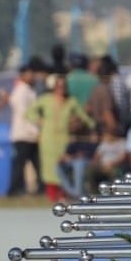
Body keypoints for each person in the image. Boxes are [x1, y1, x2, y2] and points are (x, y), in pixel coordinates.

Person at [26, 74, 94, 202]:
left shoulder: (71, 101)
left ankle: (64, 193)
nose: (61, 89)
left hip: (63, 138)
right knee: (48, 166)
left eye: (63, 86)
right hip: (48, 137)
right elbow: (29, 113)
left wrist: (93, 125)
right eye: (58, 86)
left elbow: (83, 116)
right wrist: (39, 120)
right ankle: (51, 195)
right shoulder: (45, 99)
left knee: (63, 165)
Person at [5, 58, 44, 196]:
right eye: (29, 74)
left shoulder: (28, 90)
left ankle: (41, 189)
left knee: (37, 162)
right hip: (24, 134)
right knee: (20, 164)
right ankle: (13, 190)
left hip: (30, 135)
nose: (32, 77)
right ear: (23, 76)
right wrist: (35, 131)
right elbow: (24, 114)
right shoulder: (21, 91)